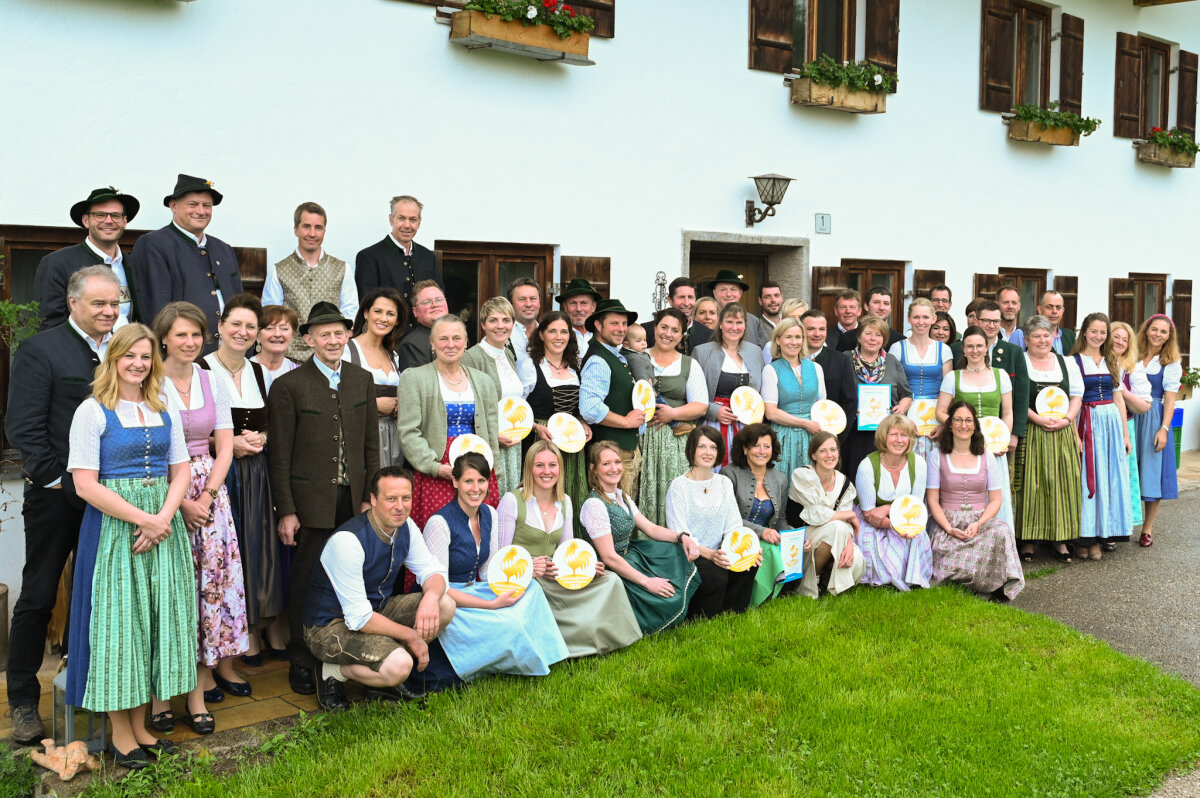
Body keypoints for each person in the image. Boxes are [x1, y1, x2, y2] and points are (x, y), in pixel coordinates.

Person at [64, 324, 196, 769]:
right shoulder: (93, 411)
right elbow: (84, 484)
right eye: (129, 356)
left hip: (162, 524)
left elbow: (181, 470)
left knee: (155, 622)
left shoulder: (164, 406)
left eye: (145, 356)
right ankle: (121, 734)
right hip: (117, 528)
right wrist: (145, 519)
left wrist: (164, 517)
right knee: (122, 627)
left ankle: (141, 727)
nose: (138, 364)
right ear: (113, 359)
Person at [4, 266, 120, 745]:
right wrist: (57, 482)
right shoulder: (40, 349)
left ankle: (93, 689)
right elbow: (23, 428)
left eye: (114, 304)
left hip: (111, 499)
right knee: (38, 596)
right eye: (99, 304)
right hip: (56, 497)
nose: (108, 312)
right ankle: (23, 701)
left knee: (103, 595)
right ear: (73, 303)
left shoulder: (122, 349)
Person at [268, 301, 379, 696]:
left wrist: (371, 497)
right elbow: (278, 455)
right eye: (323, 334)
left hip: (354, 500)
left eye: (338, 332)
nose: (332, 340)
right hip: (310, 502)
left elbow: (370, 446)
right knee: (306, 578)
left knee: (348, 576)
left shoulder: (361, 379)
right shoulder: (288, 386)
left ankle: (341, 651)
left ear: (348, 334)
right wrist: (288, 511)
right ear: (309, 339)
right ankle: (301, 657)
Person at [153, 302, 248, 735]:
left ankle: (195, 693)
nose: (189, 343)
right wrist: (181, 502)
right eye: (181, 335)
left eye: (196, 335)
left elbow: (224, 446)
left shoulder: (212, 381)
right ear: (164, 338)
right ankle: (157, 696)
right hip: (163, 491)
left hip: (209, 494)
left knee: (208, 591)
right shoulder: (149, 378)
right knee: (170, 592)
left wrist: (207, 495)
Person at [301, 467, 456, 710]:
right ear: (373, 500)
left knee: (444, 604)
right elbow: (359, 618)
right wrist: (411, 636)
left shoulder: (407, 527)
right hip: (328, 627)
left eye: (406, 498)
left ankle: (380, 675)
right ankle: (333, 671)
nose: (400, 506)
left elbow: (432, 571)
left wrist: (430, 597)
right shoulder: (349, 540)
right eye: (391, 499)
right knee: (400, 665)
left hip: (376, 611)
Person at [423, 453, 568, 680]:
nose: (475, 488)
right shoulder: (439, 523)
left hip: (475, 588)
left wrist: (521, 575)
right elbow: (438, 588)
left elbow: (488, 570)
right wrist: (492, 604)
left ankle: (546, 653)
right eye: (468, 481)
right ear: (455, 482)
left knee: (533, 589)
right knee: (510, 622)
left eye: (481, 481)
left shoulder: (489, 513)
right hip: (450, 599)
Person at [496, 442, 643, 657]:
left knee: (610, 580)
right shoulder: (513, 500)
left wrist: (586, 569)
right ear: (529, 468)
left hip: (553, 576)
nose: (547, 472)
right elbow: (500, 557)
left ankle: (612, 637)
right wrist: (529, 566)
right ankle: (574, 638)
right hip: (525, 578)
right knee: (538, 593)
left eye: (552, 465)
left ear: (560, 469)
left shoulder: (564, 501)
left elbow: (566, 549)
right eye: (540, 465)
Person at [204, 294, 283, 678]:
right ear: (220, 326)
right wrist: (228, 445)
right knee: (218, 564)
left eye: (250, 326)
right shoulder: (202, 369)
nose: (243, 331)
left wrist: (263, 438)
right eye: (236, 324)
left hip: (255, 476)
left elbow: (270, 424)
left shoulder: (256, 371)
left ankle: (237, 650)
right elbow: (185, 430)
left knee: (249, 558)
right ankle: (211, 657)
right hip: (217, 476)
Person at [580, 442, 700, 634]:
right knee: (661, 595)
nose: (614, 468)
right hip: (610, 569)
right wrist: (646, 582)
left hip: (629, 555)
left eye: (617, 462)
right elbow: (609, 557)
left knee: (675, 550)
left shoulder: (621, 496)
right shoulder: (595, 504)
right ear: (594, 469)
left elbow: (651, 528)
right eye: (606, 464)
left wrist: (682, 536)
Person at [398, 314, 501, 529]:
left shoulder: (483, 381)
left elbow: (491, 430)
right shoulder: (414, 378)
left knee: (477, 530)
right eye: (443, 338)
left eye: (457, 338)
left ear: (466, 343)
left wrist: (493, 471)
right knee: (440, 530)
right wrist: (434, 467)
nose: (450, 344)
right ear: (432, 343)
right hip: (439, 468)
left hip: (477, 468)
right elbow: (409, 432)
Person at [128, 175, 242, 350]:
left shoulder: (224, 249)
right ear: (173, 206)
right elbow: (155, 310)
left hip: (228, 355)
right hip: (183, 357)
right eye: (193, 204)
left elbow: (239, 305)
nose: (201, 211)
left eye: (207, 205)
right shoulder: (153, 244)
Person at [925, 401, 1024, 601]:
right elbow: (933, 500)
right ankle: (978, 582)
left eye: (969, 420)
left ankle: (984, 583)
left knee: (1001, 531)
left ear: (975, 426)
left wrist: (979, 523)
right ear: (950, 424)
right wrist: (949, 528)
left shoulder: (987, 456)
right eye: (958, 420)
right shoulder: (936, 456)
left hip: (979, 522)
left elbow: (996, 499)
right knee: (944, 547)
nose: (963, 425)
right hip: (948, 522)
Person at [666, 427, 759, 619]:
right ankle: (704, 618)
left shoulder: (724, 483)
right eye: (702, 446)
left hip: (720, 550)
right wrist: (711, 555)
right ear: (691, 450)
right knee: (715, 572)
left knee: (750, 563)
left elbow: (734, 526)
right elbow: (680, 533)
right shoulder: (679, 486)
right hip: (689, 554)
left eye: (713, 447)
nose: (708, 452)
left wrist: (750, 550)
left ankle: (733, 614)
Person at [1012, 315, 1083, 563]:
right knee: (1033, 483)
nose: (1042, 340)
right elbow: (1016, 398)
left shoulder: (1066, 362)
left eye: (1046, 335)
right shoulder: (1020, 361)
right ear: (1027, 339)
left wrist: (1067, 419)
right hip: (1033, 431)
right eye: (1036, 336)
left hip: (1061, 432)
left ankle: (1060, 538)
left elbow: (1076, 396)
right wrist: (1037, 419)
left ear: (1053, 336)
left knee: (1062, 483)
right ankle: (1029, 539)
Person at [937, 325, 1015, 529]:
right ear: (963, 349)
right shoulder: (953, 377)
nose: (975, 350)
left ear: (987, 347)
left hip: (993, 445)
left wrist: (1003, 440)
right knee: (969, 492)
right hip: (963, 446)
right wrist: (961, 429)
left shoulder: (1001, 375)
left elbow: (1007, 413)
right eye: (970, 346)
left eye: (979, 345)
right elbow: (941, 412)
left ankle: (997, 541)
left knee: (995, 493)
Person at [1069, 313, 1132, 559]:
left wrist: (1125, 434)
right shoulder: (1072, 361)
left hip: (1111, 424)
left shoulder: (1111, 360)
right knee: (1087, 478)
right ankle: (1084, 538)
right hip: (1087, 420)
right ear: (1084, 332)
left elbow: (1119, 398)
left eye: (1102, 332)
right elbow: (1072, 399)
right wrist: (1074, 433)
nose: (1098, 336)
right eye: (1094, 331)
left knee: (1108, 478)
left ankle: (1100, 534)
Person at [637, 308, 708, 526]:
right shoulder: (637, 358)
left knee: (675, 495)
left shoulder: (689, 364)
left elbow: (701, 406)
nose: (668, 334)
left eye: (675, 330)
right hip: (640, 440)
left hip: (676, 443)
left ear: (682, 334)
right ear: (655, 328)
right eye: (664, 327)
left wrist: (673, 413)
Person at [262, 202, 358, 361]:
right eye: (306, 226)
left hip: (331, 357)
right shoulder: (278, 270)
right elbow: (271, 316)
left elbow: (350, 312)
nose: (312, 233)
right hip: (290, 357)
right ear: (296, 230)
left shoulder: (342, 269)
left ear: (324, 231)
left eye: (318, 227)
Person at [34, 186, 140, 330]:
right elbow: (50, 325)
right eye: (100, 215)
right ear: (86, 220)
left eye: (116, 215)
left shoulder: (135, 264)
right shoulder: (57, 263)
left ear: (124, 221)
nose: (109, 221)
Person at [462, 296, 535, 495]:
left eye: (506, 320)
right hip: (489, 442)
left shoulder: (508, 354)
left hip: (513, 444)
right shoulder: (472, 357)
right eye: (493, 320)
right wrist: (493, 436)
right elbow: (467, 405)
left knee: (510, 500)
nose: (500, 326)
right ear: (483, 324)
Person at [580, 298, 651, 497]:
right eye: (614, 323)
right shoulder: (598, 359)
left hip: (624, 453)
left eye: (623, 324)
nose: (621, 329)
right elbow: (590, 408)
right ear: (598, 325)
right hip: (611, 456)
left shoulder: (613, 354)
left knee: (626, 511)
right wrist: (626, 422)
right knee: (615, 516)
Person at [525, 311, 592, 521]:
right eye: (552, 331)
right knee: (542, 494)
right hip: (542, 439)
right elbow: (519, 407)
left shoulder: (575, 367)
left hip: (571, 443)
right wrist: (536, 427)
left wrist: (582, 422)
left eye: (564, 332)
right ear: (541, 335)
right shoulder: (530, 367)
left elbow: (576, 408)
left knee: (569, 492)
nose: (559, 336)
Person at [854, 414, 931, 591]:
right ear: (883, 437)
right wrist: (893, 522)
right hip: (872, 521)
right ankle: (886, 577)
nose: (899, 440)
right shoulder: (867, 465)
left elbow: (916, 506)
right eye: (894, 435)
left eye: (904, 435)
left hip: (906, 517)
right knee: (871, 540)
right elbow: (869, 513)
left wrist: (889, 509)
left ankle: (910, 577)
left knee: (915, 536)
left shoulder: (918, 463)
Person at [787, 432, 864, 598]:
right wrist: (849, 514)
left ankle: (830, 583)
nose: (829, 455)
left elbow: (844, 522)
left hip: (832, 534)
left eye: (833, 450)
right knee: (836, 527)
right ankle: (808, 583)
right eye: (823, 451)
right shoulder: (803, 475)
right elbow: (815, 515)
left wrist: (849, 544)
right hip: (801, 537)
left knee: (855, 556)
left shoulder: (844, 483)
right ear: (813, 455)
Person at [950, 300, 1029, 455]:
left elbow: (1021, 395)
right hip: (963, 432)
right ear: (976, 321)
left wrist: (1013, 433)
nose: (991, 325)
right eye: (986, 320)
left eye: (996, 321)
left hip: (999, 434)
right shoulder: (956, 350)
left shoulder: (1014, 352)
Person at [723, 424, 790, 607]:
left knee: (792, 545)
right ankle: (758, 601)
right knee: (769, 549)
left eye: (767, 446)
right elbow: (730, 517)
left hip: (768, 537)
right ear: (745, 449)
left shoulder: (780, 479)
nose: (762, 451)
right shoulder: (729, 473)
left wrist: (794, 535)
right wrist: (761, 532)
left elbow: (781, 520)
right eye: (756, 445)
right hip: (736, 537)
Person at [692, 302, 765, 468]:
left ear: (745, 326)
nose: (734, 327)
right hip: (714, 425)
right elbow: (693, 393)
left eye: (739, 322)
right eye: (729, 322)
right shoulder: (702, 352)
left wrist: (757, 413)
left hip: (746, 426)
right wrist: (714, 411)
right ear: (720, 324)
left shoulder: (755, 352)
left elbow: (758, 393)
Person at [1131, 314, 1182, 547]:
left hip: (1153, 418)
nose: (1158, 334)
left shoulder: (1170, 363)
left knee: (1152, 472)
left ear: (1169, 336)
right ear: (1146, 329)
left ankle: (1147, 529)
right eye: (1154, 329)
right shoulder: (1133, 354)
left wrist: (1164, 429)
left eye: (1163, 331)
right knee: (1128, 470)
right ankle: (1120, 526)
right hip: (1130, 415)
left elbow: (1170, 400)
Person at [345, 287, 408, 469]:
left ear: (397, 321)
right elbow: (335, 396)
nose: (383, 318)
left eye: (390, 314)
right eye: (377, 311)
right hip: (363, 435)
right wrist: (376, 405)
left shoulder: (393, 355)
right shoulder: (347, 351)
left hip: (395, 437)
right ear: (366, 313)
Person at [843, 317, 913, 478]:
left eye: (878, 335)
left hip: (887, 434)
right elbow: (836, 396)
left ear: (884, 339)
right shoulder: (845, 359)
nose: (873, 339)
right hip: (855, 434)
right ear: (859, 337)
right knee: (856, 476)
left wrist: (901, 408)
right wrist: (849, 410)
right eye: (868, 333)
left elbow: (906, 395)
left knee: (882, 477)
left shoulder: (892, 361)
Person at [354, 195, 443, 308]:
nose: (407, 225)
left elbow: (439, 302)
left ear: (419, 223)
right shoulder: (369, 257)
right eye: (401, 218)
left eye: (413, 219)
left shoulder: (429, 257)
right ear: (391, 219)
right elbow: (367, 306)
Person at [763, 318, 825, 479]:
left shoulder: (816, 368)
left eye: (798, 337)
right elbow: (771, 413)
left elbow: (822, 405)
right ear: (778, 340)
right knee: (783, 483)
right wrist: (805, 423)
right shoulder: (771, 370)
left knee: (810, 485)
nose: (794, 342)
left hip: (812, 436)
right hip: (782, 436)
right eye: (788, 337)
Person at [890, 298, 951, 457]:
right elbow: (892, 388)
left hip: (936, 414)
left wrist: (944, 425)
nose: (920, 322)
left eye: (925, 317)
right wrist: (902, 418)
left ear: (933, 318)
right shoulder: (897, 348)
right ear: (909, 319)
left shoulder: (943, 350)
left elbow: (949, 390)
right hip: (906, 412)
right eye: (916, 317)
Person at [1110, 321, 1145, 528]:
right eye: (1117, 336)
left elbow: (1144, 406)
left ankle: (1118, 526)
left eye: (1125, 339)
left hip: (1125, 425)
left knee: (1122, 478)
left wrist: (1121, 390)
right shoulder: (1097, 361)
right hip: (1096, 424)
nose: (1120, 342)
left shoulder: (1133, 369)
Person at [802, 309, 857, 442]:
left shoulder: (840, 360)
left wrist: (837, 439)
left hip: (831, 437)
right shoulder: (787, 360)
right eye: (811, 329)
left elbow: (850, 403)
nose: (817, 334)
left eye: (822, 329)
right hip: (796, 432)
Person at [644, 277, 710, 354]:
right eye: (681, 297)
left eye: (690, 297)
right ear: (670, 300)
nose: (686, 303)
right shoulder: (646, 331)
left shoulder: (708, 335)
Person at [396, 280, 448, 370]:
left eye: (439, 300)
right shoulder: (411, 345)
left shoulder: (458, 337)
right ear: (415, 311)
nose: (435, 305)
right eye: (427, 302)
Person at [710, 269, 767, 347]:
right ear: (715, 293)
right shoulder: (707, 319)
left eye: (733, 289)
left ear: (740, 293)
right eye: (723, 290)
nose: (729, 294)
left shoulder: (754, 322)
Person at [252, 305, 302, 392]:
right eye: (270, 328)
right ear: (257, 335)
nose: (277, 334)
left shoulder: (300, 374)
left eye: (284, 328)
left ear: (292, 336)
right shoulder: (244, 371)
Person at [1010, 290, 1075, 353]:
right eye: (1049, 307)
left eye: (1058, 307)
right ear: (1039, 310)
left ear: (1062, 310)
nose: (1054, 311)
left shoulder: (1070, 335)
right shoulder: (1021, 334)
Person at [556, 278, 603, 359]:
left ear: (593, 306)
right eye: (573, 303)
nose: (578, 309)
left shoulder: (603, 336)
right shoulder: (556, 337)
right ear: (565, 306)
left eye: (584, 303)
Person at [508, 277, 542, 365]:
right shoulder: (501, 336)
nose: (528, 304)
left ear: (539, 303)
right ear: (511, 304)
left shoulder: (549, 334)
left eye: (533, 299)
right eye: (522, 299)